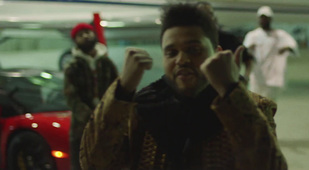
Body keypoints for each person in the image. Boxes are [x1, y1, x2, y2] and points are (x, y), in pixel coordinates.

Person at [80, 3, 287, 170]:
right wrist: (122, 91)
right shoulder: (140, 109)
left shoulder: (253, 107)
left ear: (216, 53)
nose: (182, 59)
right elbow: (94, 163)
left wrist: (232, 93)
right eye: (171, 52)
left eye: (194, 49)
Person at [64, 23, 118, 170]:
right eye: (80, 35)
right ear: (75, 41)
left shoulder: (106, 63)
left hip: (107, 123)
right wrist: (92, 117)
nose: (85, 36)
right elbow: (72, 98)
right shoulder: (72, 66)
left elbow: (117, 88)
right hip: (82, 127)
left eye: (87, 32)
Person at [243, 6, 298, 101]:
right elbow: (244, 53)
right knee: (255, 101)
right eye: (262, 18)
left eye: (266, 18)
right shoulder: (252, 36)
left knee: (269, 102)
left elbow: (293, 46)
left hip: (273, 76)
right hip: (257, 75)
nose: (264, 20)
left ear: (270, 19)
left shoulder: (280, 35)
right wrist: (249, 49)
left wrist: (286, 48)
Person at [196, 1, 254, 82]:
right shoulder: (187, 39)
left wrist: (246, 77)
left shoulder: (227, 38)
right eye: (201, 14)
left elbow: (248, 60)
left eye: (208, 14)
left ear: (214, 17)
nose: (205, 18)